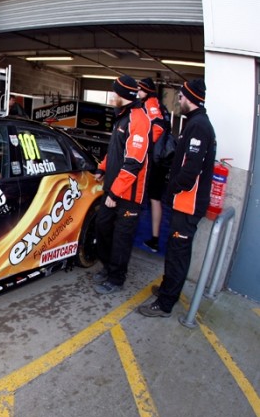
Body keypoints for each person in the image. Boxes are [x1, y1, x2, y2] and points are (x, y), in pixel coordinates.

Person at [138, 79, 216, 317]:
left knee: (178, 255)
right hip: (183, 202)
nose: (178, 100)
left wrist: (172, 189)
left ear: (190, 98)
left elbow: (191, 171)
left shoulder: (199, 126)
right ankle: (166, 290)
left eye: (181, 97)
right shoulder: (194, 123)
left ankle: (165, 304)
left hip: (188, 204)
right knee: (174, 251)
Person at [92, 75, 151, 294]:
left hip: (129, 196)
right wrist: (102, 168)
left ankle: (116, 278)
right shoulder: (122, 117)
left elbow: (133, 164)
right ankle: (109, 267)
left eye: (114, 93)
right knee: (102, 226)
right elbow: (115, 150)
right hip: (114, 189)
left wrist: (115, 194)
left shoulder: (139, 119)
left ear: (123, 96)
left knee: (121, 239)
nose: (111, 97)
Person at [138, 78, 172, 253]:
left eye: (140, 90)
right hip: (161, 159)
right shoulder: (161, 106)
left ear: (146, 91)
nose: (138, 92)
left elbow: (157, 127)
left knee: (145, 197)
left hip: (153, 160)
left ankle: (149, 237)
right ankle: (155, 238)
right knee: (155, 198)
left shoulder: (151, 103)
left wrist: (144, 145)